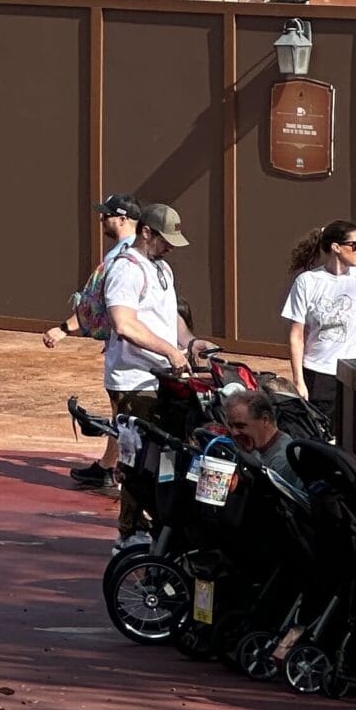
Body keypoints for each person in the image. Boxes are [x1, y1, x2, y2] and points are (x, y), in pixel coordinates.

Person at [105, 202, 212, 549]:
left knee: (162, 458)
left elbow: (169, 318)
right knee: (137, 461)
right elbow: (125, 324)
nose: (169, 247)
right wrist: (169, 350)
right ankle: (129, 533)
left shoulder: (161, 268)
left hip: (162, 379)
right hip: (135, 381)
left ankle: (153, 525)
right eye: (165, 239)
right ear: (146, 232)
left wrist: (189, 342)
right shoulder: (127, 269)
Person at [42, 195, 143, 491]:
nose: (102, 220)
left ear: (123, 219)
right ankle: (108, 467)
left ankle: (117, 472)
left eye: (107, 216)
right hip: (131, 342)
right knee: (122, 411)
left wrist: (64, 329)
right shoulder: (140, 254)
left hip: (128, 346)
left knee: (124, 411)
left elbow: (95, 304)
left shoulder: (123, 258)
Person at [282, 219, 356, 439]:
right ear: (336, 247)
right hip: (320, 373)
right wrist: (298, 379)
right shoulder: (307, 282)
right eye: (355, 245)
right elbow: (297, 335)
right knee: (322, 437)